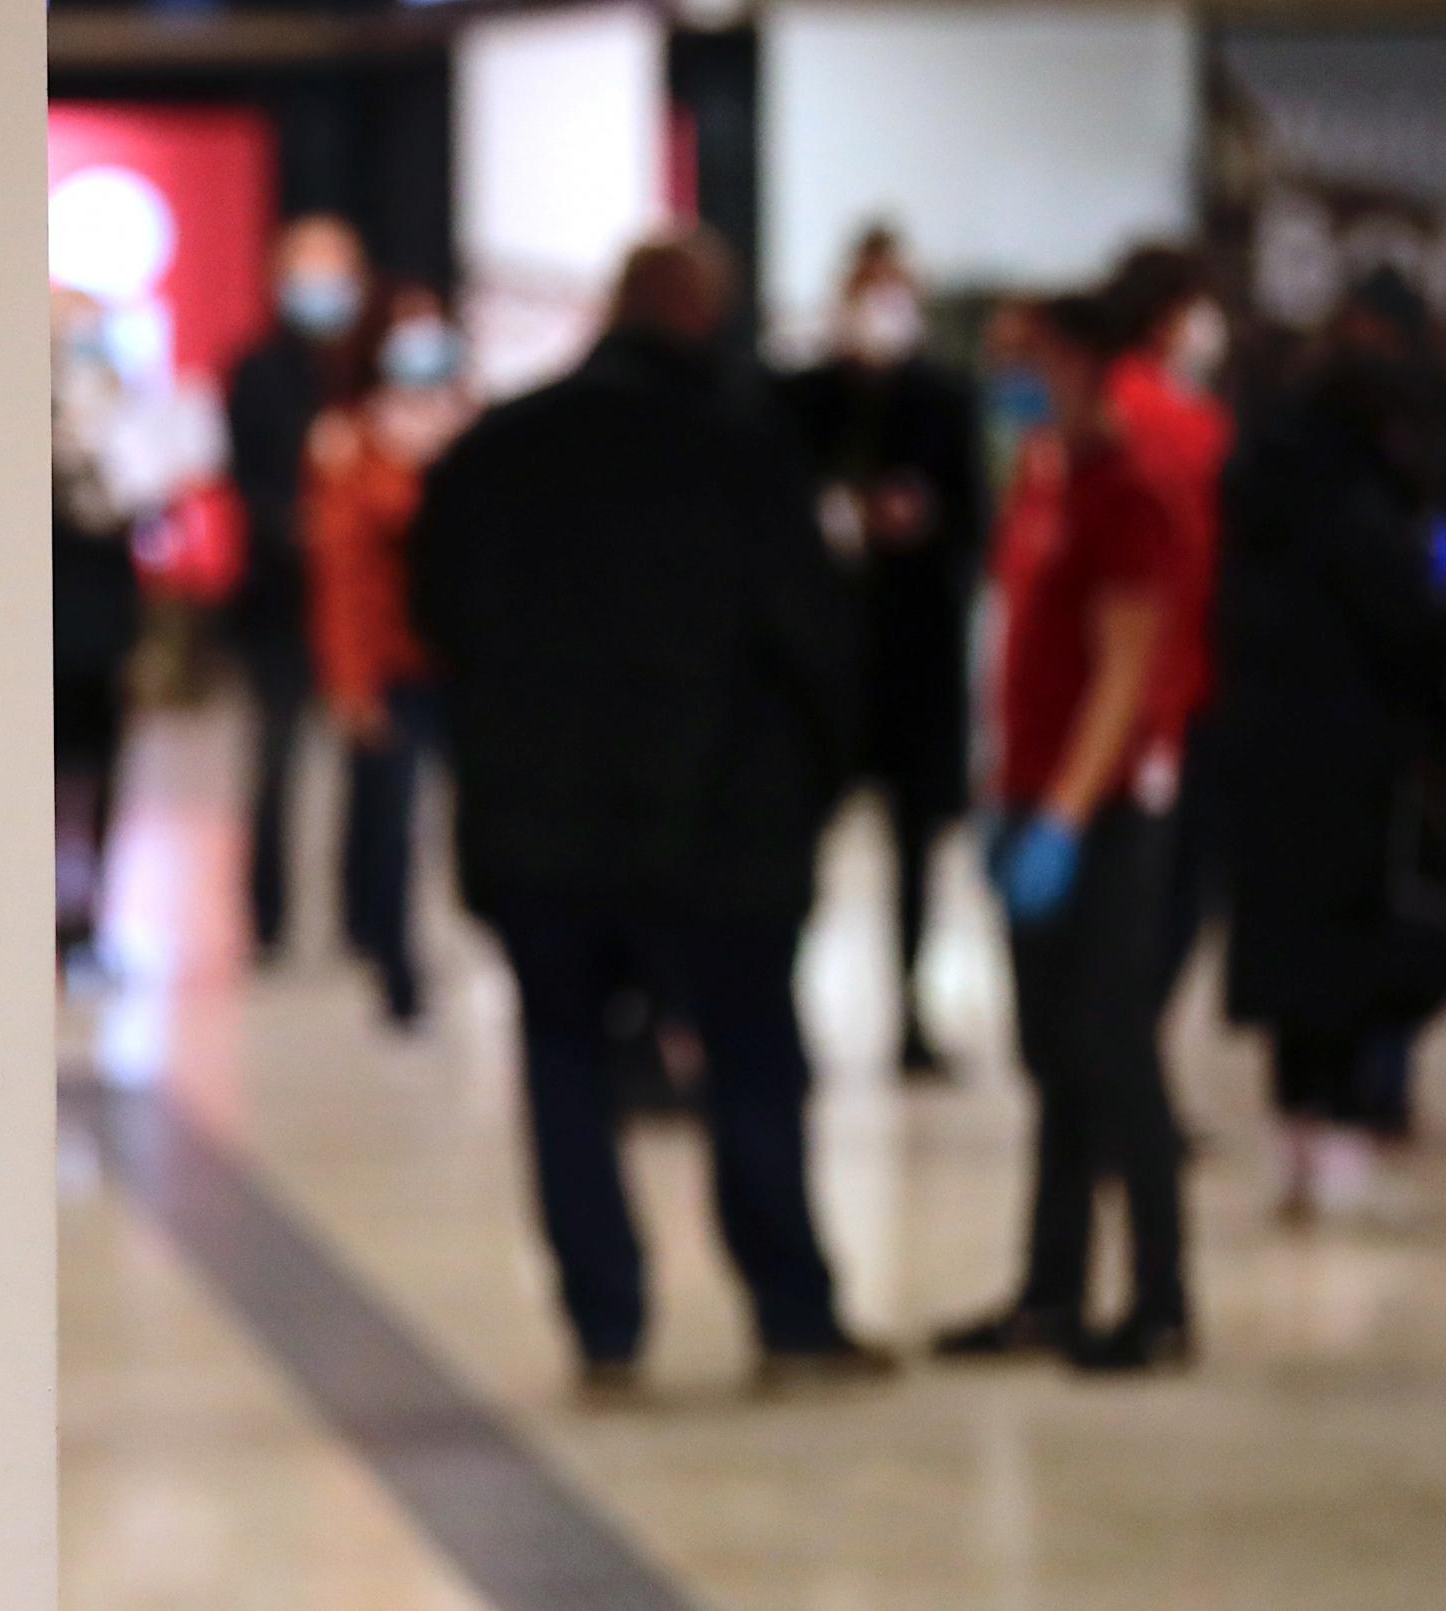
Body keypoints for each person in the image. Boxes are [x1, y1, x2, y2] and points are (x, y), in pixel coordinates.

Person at [411, 230, 890, 1396]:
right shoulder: (740, 455)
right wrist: (814, 793)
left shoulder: (494, 453)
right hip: (719, 836)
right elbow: (814, 647)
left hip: (541, 839)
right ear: (700, 317)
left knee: (565, 1068)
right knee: (749, 1064)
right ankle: (789, 1314)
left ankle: (606, 1330)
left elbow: (440, 629)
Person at [938, 292, 1198, 1373]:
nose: (1012, 381)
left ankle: (1157, 1298)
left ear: (1090, 366)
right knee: (1051, 1058)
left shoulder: (1125, 494)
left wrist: (1061, 816)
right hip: (1026, 797)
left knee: (1114, 1054)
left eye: (1029, 361)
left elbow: (1123, 672)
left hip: (1094, 817)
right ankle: (1049, 1288)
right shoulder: (1038, 483)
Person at [1215, 270, 1446, 1221]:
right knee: (1352, 944)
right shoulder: (1359, 493)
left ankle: (1313, 1118)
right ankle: (1345, 1114)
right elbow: (1406, 623)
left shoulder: (1270, 470)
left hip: (1276, 750)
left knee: (1302, 951)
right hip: (1354, 759)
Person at [780, 227, 984, 1079]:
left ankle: (911, 1013)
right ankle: (781, 1010)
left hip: (914, 661)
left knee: (915, 853)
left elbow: (976, 522)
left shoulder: (944, 400)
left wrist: (923, 524)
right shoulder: (798, 398)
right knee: (795, 846)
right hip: (820, 666)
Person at [303, 282, 471, 1027]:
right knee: (391, 825)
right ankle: (395, 964)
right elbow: (340, 573)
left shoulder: (471, 432)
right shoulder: (352, 442)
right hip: (392, 665)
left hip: (461, 664)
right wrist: (350, 680)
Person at [226, 215, 371, 963]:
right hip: (280, 602)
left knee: (372, 773)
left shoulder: (369, 369)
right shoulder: (256, 369)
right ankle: (270, 921)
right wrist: (297, 528)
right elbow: (247, 477)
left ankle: (364, 919)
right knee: (276, 764)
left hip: (364, 603)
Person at [1101, 246, 1235, 1005]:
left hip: (1125, 696)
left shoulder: (1093, 410)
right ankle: (1125, 1079)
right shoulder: (1184, 425)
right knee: (1170, 898)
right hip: (1177, 695)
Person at [52, 290, 144, 970]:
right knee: (47, 783)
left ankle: (88, 922)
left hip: (106, 631)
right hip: (43, 636)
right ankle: (46, 918)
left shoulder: (126, 417)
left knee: (103, 777)